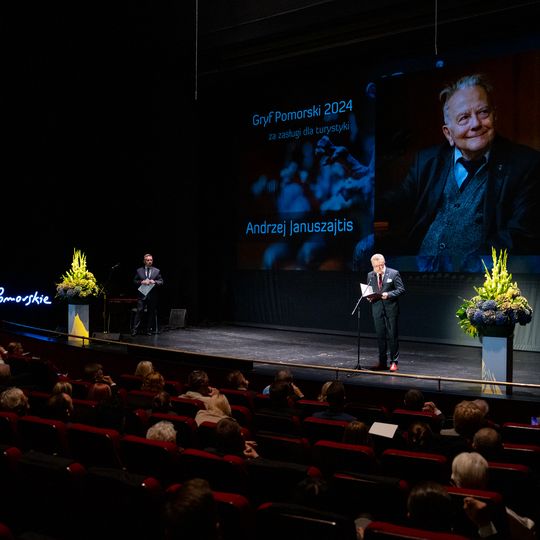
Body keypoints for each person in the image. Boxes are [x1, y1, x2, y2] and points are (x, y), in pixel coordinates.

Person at [381, 73, 540, 272]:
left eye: (483, 112)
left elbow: (520, 236)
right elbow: (397, 201)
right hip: (419, 272)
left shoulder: (525, 164)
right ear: (448, 133)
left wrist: (466, 266)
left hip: (478, 278)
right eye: (464, 118)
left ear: (495, 116)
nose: (476, 124)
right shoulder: (428, 161)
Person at [366, 253, 405, 371]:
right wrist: (369, 297)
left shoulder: (393, 273)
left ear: (383, 264)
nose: (377, 268)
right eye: (375, 266)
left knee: (392, 336)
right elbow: (370, 290)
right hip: (377, 309)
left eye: (379, 266)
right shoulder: (370, 275)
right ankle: (382, 362)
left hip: (391, 309)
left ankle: (394, 362)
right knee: (380, 336)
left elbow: (401, 289)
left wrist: (388, 294)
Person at [132, 253, 163, 336]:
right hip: (142, 294)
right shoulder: (139, 270)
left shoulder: (156, 271)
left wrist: (154, 281)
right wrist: (141, 282)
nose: (150, 261)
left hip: (152, 296)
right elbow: (134, 281)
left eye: (151, 260)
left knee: (151, 313)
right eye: (148, 260)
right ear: (144, 261)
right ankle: (135, 330)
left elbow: (161, 281)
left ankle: (148, 330)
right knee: (139, 311)